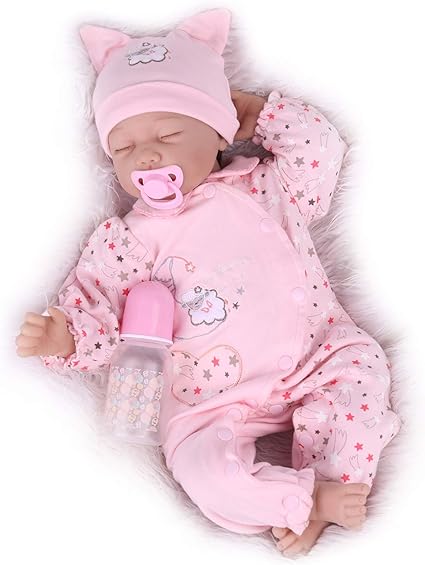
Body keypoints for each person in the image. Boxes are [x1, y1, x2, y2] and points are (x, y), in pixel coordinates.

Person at [15, 7, 402, 557]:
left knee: (362, 373)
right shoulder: (127, 239)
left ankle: (329, 483)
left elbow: (321, 151)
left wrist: (263, 115)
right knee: (203, 474)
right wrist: (66, 335)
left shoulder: (267, 185)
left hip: (317, 353)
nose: (147, 153)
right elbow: (98, 304)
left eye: (169, 133)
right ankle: (298, 502)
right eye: (123, 147)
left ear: (217, 132)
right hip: (208, 402)